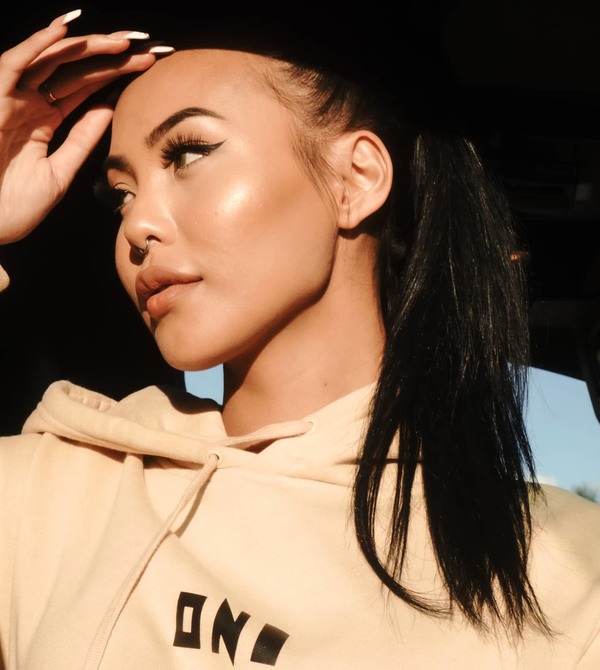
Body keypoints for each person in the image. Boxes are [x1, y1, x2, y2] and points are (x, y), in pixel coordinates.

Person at [0, 8, 599, 670]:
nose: (136, 225)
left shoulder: (569, 577)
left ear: (357, 179)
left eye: (187, 153)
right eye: (120, 195)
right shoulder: (44, 492)